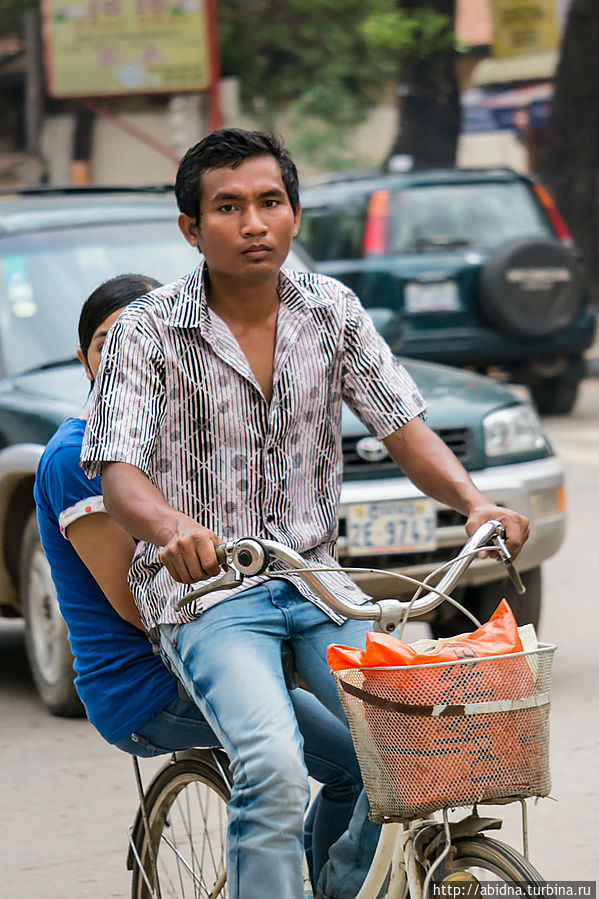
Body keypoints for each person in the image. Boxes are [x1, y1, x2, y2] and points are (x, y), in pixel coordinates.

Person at [80, 129, 530, 899]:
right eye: (227, 207)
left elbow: (403, 429)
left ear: (293, 214)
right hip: (206, 597)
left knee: (406, 752)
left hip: (318, 583)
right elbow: (120, 473)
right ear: (192, 228)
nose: (252, 222)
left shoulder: (332, 310)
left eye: (269, 202)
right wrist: (171, 529)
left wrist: (473, 500)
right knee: (274, 767)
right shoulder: (146, 331)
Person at [34, 273, 369, 890]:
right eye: (111, 343)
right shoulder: (80, 456)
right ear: (85, 360)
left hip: (224, 643)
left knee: (392, 754)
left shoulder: (187, 437)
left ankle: (329, 881)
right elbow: (135, 606)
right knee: (339, 765)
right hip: (148, 684)